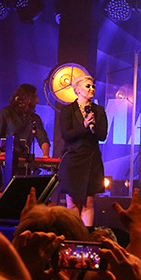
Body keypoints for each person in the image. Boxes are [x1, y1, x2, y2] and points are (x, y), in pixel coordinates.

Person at [58, 75, 107, 226]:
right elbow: (66, 135)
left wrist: (93, 126)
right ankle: (74, 236)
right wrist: (84, 125)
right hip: (73, 160)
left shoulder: (98, 110)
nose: (91, 89)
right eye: (88, 86)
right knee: (72, 203)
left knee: (88, 203)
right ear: (77, 90)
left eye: (93, 86)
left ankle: (86, 239)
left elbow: (102, 136)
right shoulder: (67, 110)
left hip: (91, 160)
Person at [0, 83, 50, 158]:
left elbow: (43, 139)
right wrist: (2, 151)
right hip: (5, 162)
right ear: (26, 98)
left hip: (24, 162)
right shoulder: (6, 113)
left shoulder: (34, 118)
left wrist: (45, 155)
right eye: (34, 97)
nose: (37, 101)